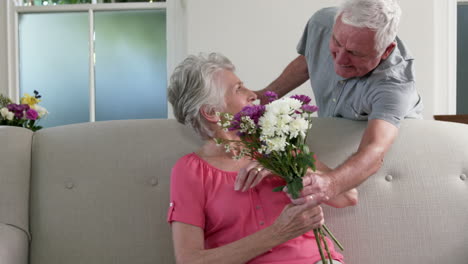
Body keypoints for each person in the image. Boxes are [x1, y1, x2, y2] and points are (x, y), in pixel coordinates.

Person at [167, 53, 358, 264]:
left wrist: (287, 169)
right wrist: (279, 233)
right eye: (239, 89)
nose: (253, 95)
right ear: (212, 112)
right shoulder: (190, 171)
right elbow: (189, 260)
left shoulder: (276, 142)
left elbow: (348, 196)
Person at [237, 0, 423, 204]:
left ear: (386, 51)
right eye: (336, 42)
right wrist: (264, 96)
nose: (340, 59)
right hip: (336, 144)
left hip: (386, 158)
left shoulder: (394, 85)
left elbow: (374, 148)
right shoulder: (322, 22)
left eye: (355, 53)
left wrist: (330, 184)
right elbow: (308, 61)